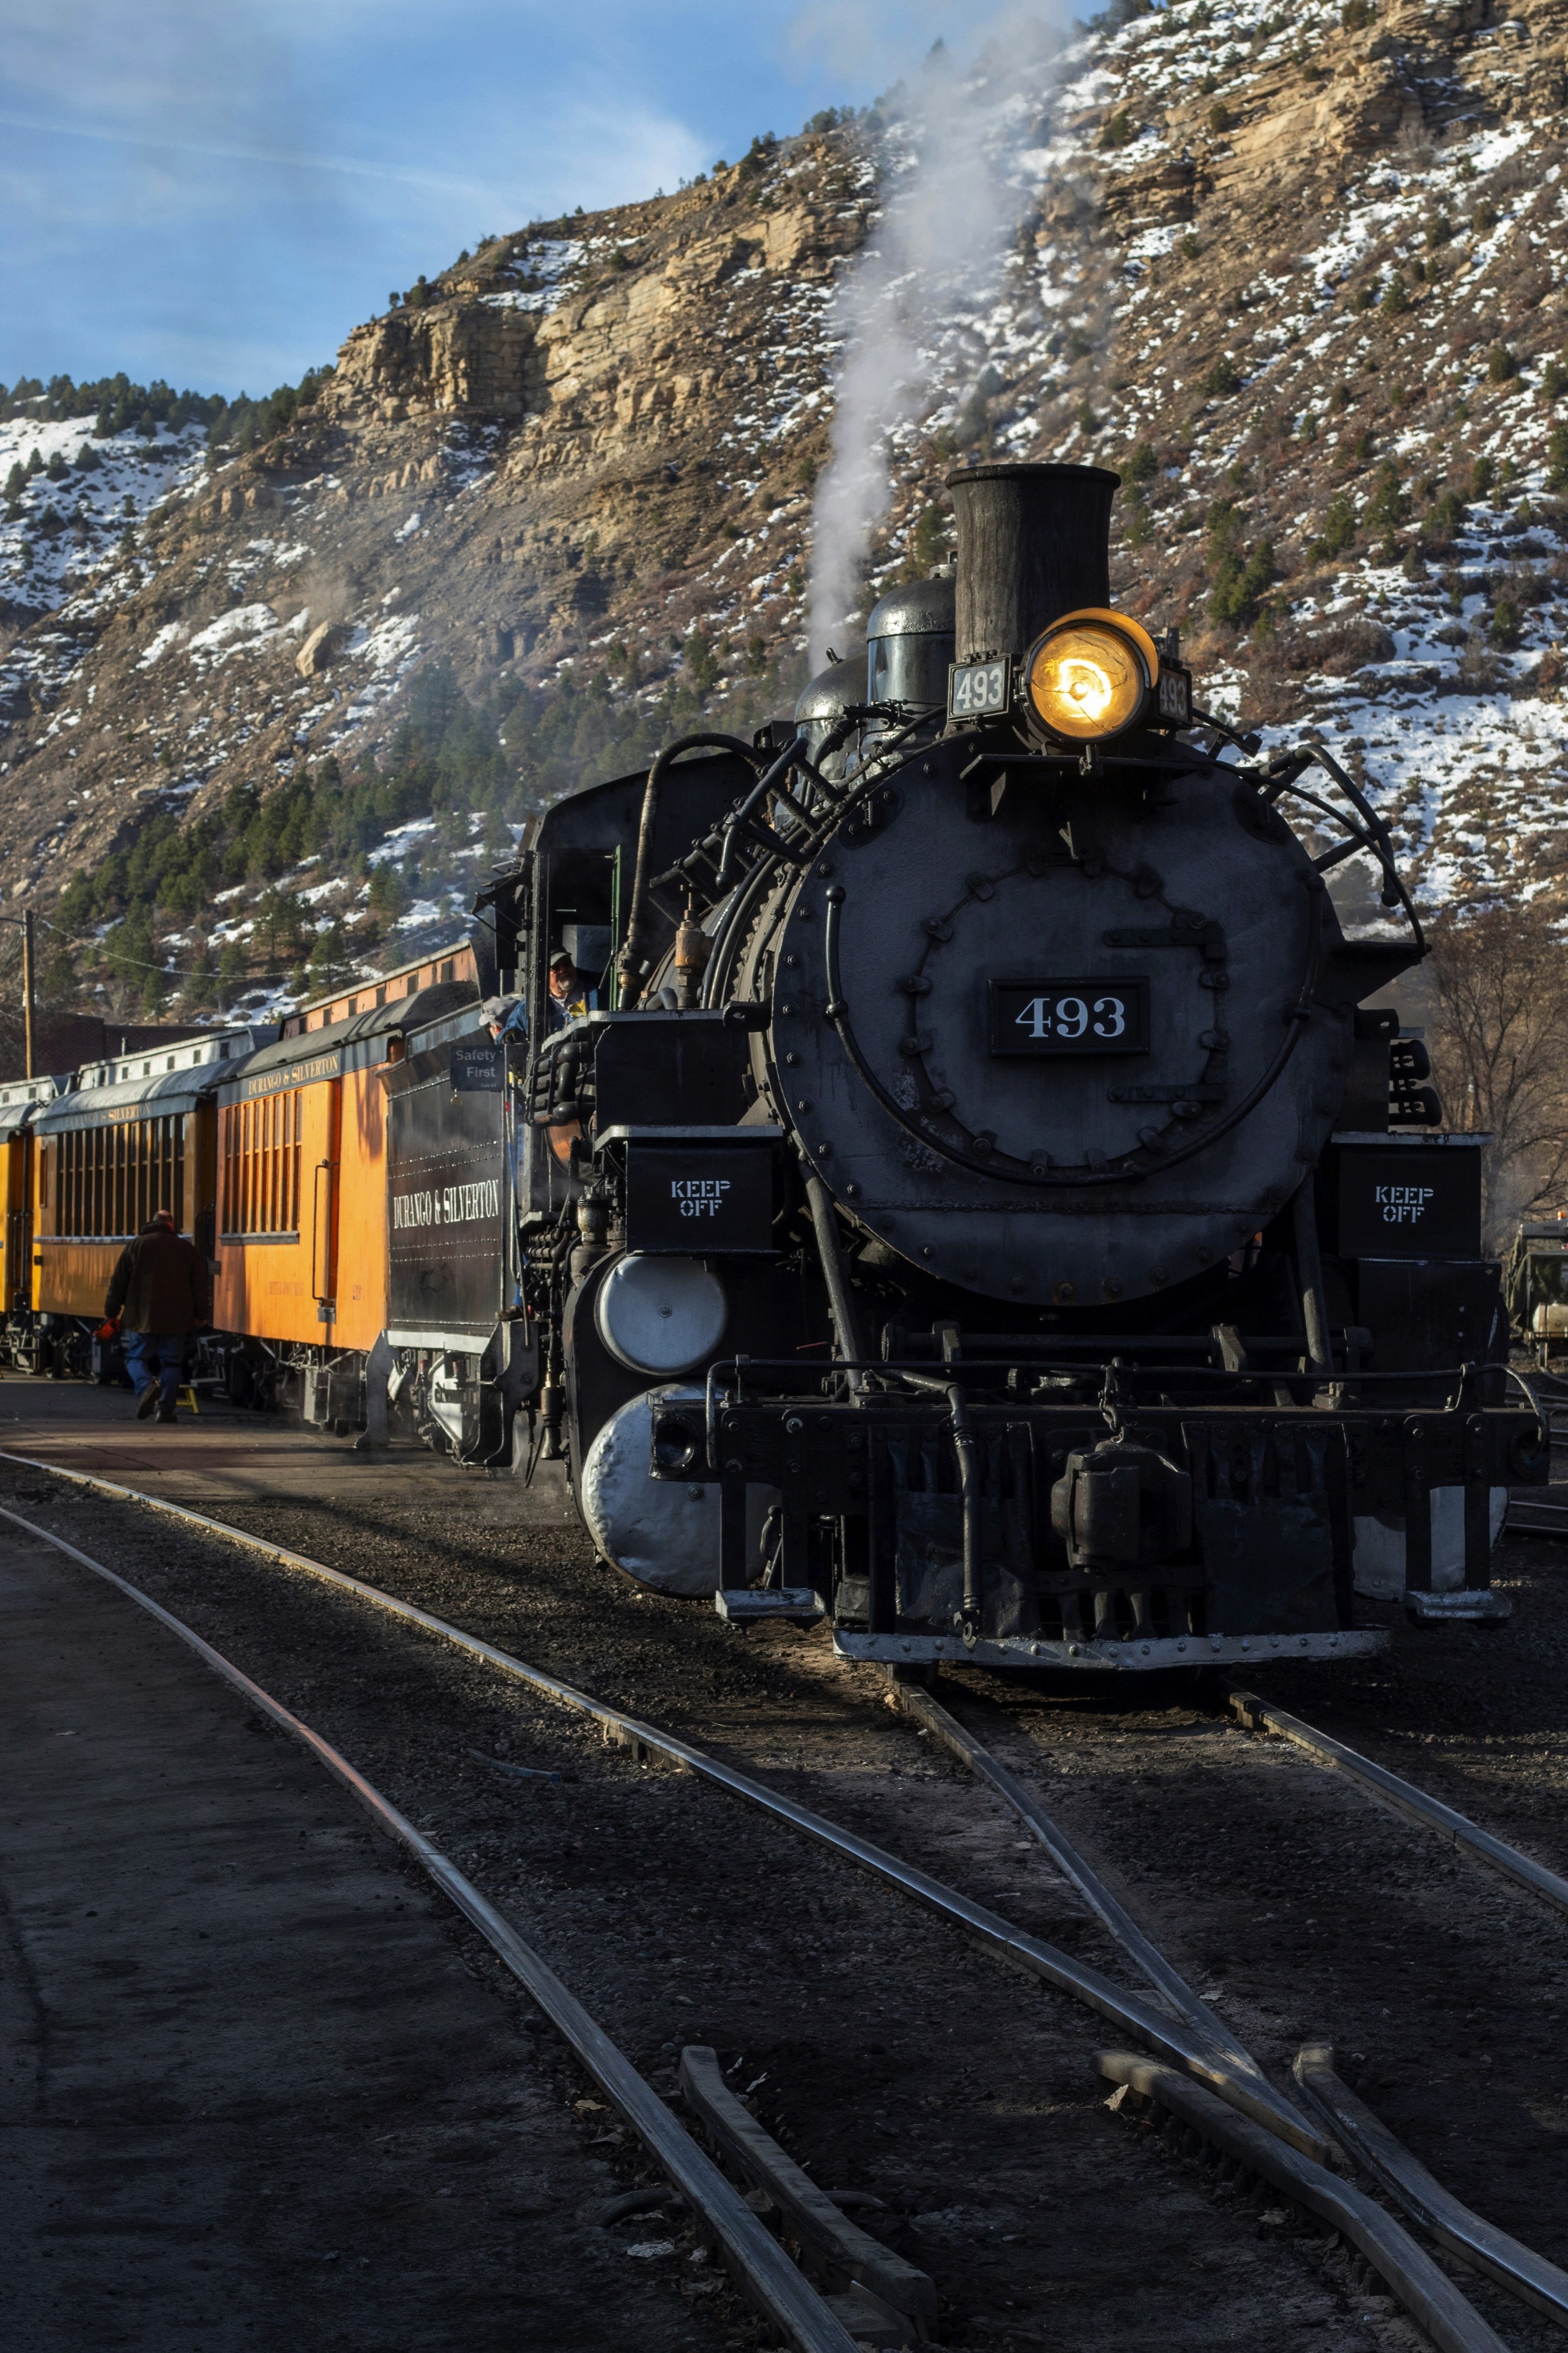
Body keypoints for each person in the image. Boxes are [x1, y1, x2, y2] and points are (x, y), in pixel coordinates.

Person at [103, 1207, 211, 1425]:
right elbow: (199, 1285)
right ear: (172, 1225)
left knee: (135, 1358)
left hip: (141, 1318)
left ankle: (146, 1387)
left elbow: (118, 1283)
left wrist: (111, 1313)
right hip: (177, 1320)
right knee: (171, 1364)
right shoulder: (186, 1249)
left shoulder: (136, 1246)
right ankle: (166, 1411)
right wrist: (202, 1314)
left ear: (151, 1223)